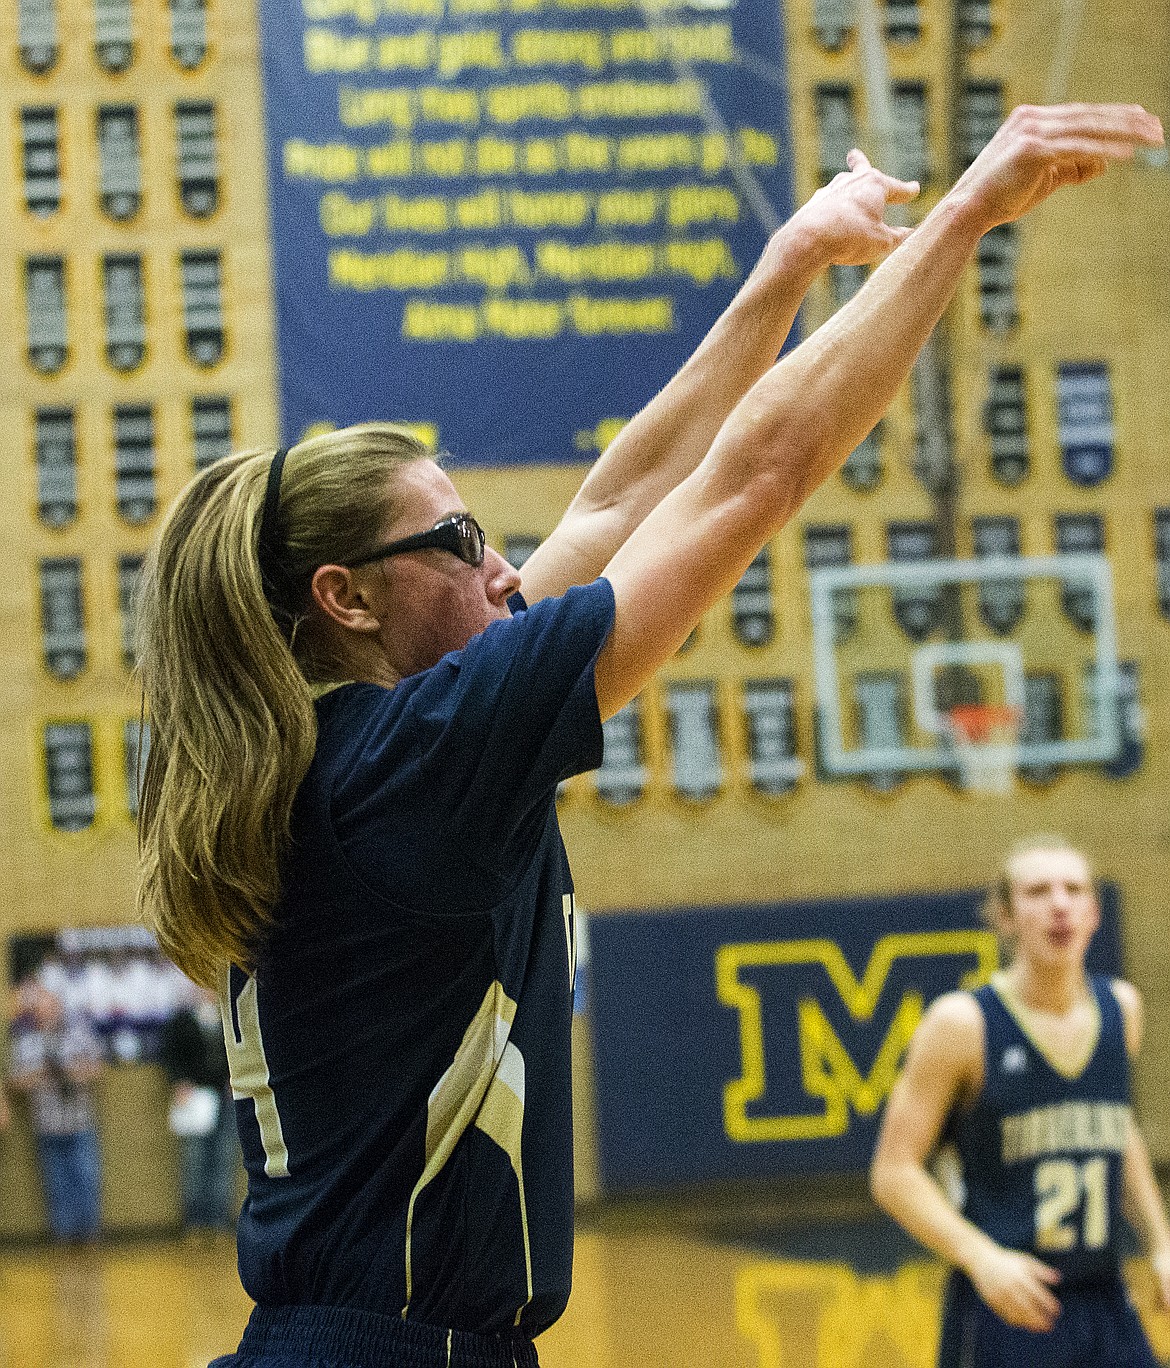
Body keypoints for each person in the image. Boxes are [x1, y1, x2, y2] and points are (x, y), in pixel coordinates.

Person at [134, 104, 1163, 1368]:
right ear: (347, 599)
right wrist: (962, 223)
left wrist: (785, 271)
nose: (504, 566)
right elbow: (753, 480)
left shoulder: (364, 753)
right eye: (460, 542)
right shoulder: (420, 758)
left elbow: (623, 496)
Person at [870, 837, 1170, 1366]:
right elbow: (894, 1173)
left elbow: (1114, 1133)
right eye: (1037, 892)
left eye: (1074, 890)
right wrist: (982, 1259)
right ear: (1004, 917)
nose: (1059, 904)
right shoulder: (961, 1024)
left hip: (1103, 1297)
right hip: (1008, 1303)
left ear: (1094, 913)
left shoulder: (1121, 1008)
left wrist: (1160, 1242)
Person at [9, 981, 105, 1245]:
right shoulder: (26, 1041)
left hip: (80, 1119)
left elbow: (98, 1068)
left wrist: (73, 1072)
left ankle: (90, 1235)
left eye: (50, 1005)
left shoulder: (79, 1033)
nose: (46, 1010)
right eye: (40, 1007)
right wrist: (40, 1074)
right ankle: (63, 1237)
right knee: (56, 1184)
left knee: (86, 1178)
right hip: (47, 1122)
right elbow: (15, 1081)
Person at [159, 984, 239, 1235]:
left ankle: (218, 1220)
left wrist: (234, 1078)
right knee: (194, 1159)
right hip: (195, 1097)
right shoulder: (182, 1021)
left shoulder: (229, 1017)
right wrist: (179, 1082)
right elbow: (170, 1056)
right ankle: (195, 1222)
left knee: (224, 1157)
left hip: (225, 1097)